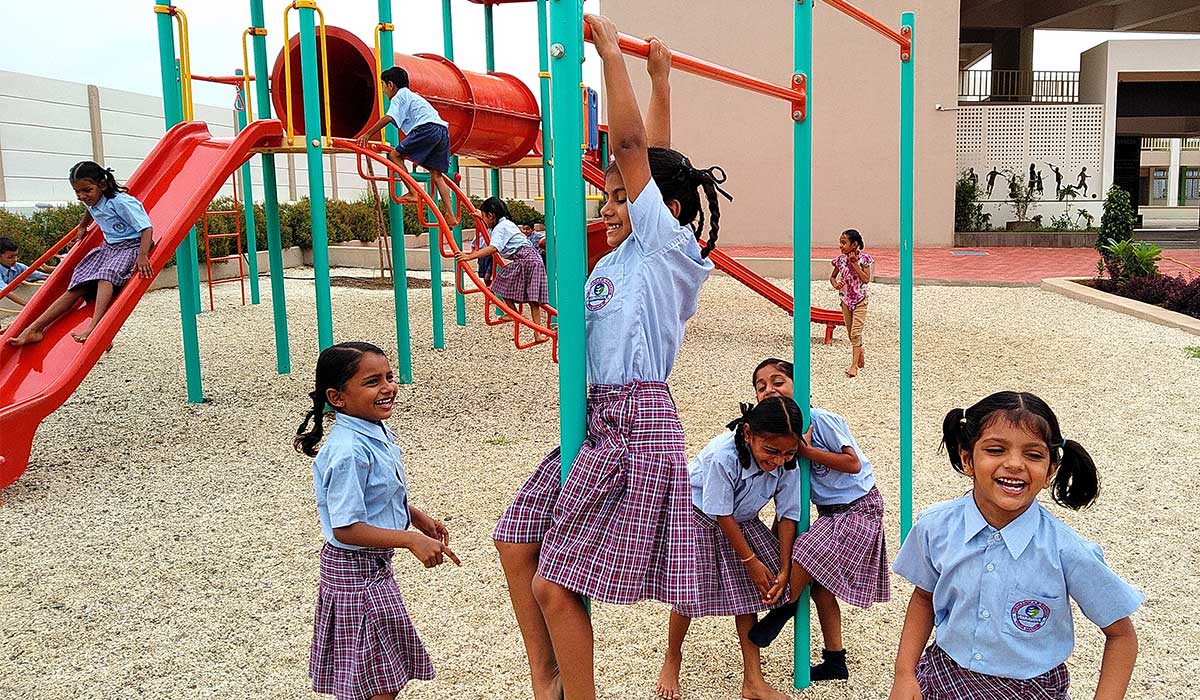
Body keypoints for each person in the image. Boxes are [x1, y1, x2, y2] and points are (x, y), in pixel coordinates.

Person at [491, 17, 730, 700]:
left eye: (624, 196)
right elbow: (648, 153)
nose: (610, 203)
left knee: (554, 583)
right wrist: (660, 79)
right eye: (613, 196)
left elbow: (630, 147)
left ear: (666, 207)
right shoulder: (626, 251)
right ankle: (549, 681)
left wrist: (611, 58)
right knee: (516, 542)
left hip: (637, 423)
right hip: (593, 417)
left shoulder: (668, 248)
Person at [889, 391, 1141, 700]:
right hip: (943, 679)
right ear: (968, 458)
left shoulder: (1067, 551)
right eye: (996, 450)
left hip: (1032, 691)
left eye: (1034, 455)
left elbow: (1121, 636)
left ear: (1051, 471)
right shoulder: (935, 527)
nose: (1014, 464)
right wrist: (904, 674)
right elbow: (924, 598)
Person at [295, 342, 461, 700]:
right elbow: (346, 527)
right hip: (355, 575)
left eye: (389, 377)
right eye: (372, 382)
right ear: (337, 398)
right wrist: (410, 540)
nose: (388, 387)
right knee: (373, 678)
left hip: (373, 569)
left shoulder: (373, 431)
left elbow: (379, 493)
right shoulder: (349, 451)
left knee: (379, 674)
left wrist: (416, 518)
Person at [744, 358, 891, 683]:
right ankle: (835, 660)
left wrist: (806, 451)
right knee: (822, 589)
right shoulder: (780, 440)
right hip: (830, 513)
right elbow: (788, 501)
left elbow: (852, 464)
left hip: (858, 506)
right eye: (761, 386)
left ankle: (783, 608)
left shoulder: (820, 420)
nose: (769, 389)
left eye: (778, 381)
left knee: (806, 550)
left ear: (800, 385)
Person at [656, 397, 806, 700]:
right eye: (771, 451)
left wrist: (785, 565)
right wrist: (750, 560)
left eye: (788, 452)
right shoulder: (722, 455)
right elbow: (720, 512)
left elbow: (788, 513)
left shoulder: (787, 460)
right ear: (749, 434)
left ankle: (753, 679)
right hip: (699, 516)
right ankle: (673, 657)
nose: (778, 460)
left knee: (749, 596)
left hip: (741, 519)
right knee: (687, 593)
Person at [8, 162, 152, 346]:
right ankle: (35, 328)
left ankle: (96, 324)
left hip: (132, 246)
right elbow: (90, 211)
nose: (82, 196)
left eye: (86, 190)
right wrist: (82, 226)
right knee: (77, 285)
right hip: (110, 248)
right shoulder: (93, 200)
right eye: (77, 192)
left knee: (105, 276)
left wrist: (142, 255)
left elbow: (146, 227)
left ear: (102, 185)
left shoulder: (121, 202)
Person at [356, 67, 458, 226]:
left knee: (394, 155)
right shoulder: (412, 96)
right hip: (442, 130)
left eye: (383, 85)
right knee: (436, 175)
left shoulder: (399, 96)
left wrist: (367, 134)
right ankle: (450, 215)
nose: (383, 91)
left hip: (427, 129)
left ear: (391, 85)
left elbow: (389, 117)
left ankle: (413, 191)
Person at [455, 197, 550, 340]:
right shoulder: (506, 223)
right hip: (533, 258)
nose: (485, 221)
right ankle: (538, 333)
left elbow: (493, 248)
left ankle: (513, 313)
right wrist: (480, 215)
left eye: (485, 216)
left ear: (491, 215)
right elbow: (489, 225)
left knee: (500, 283)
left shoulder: (499, 228)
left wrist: (469, 256)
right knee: (533, 299)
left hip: (526, 259)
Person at [830, 229, 872, 378]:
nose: (841, 246)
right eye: (840, 243)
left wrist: (855, 264)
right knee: (850, 333)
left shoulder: (864, 259)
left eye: (844, 243)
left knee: (855, 332)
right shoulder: (840, 260)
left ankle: (854, 366)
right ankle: (859, 350)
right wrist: (835, 284)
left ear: (854, 244)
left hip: (860, 300)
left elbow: (866, 279)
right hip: (845, 300)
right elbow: (833, 277)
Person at [0, 236, 51, 307]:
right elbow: (5, 291)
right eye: (10, 257)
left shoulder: (18, 267)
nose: (15, 259)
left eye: (16, 256)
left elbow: (39, 275)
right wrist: (27, 304)